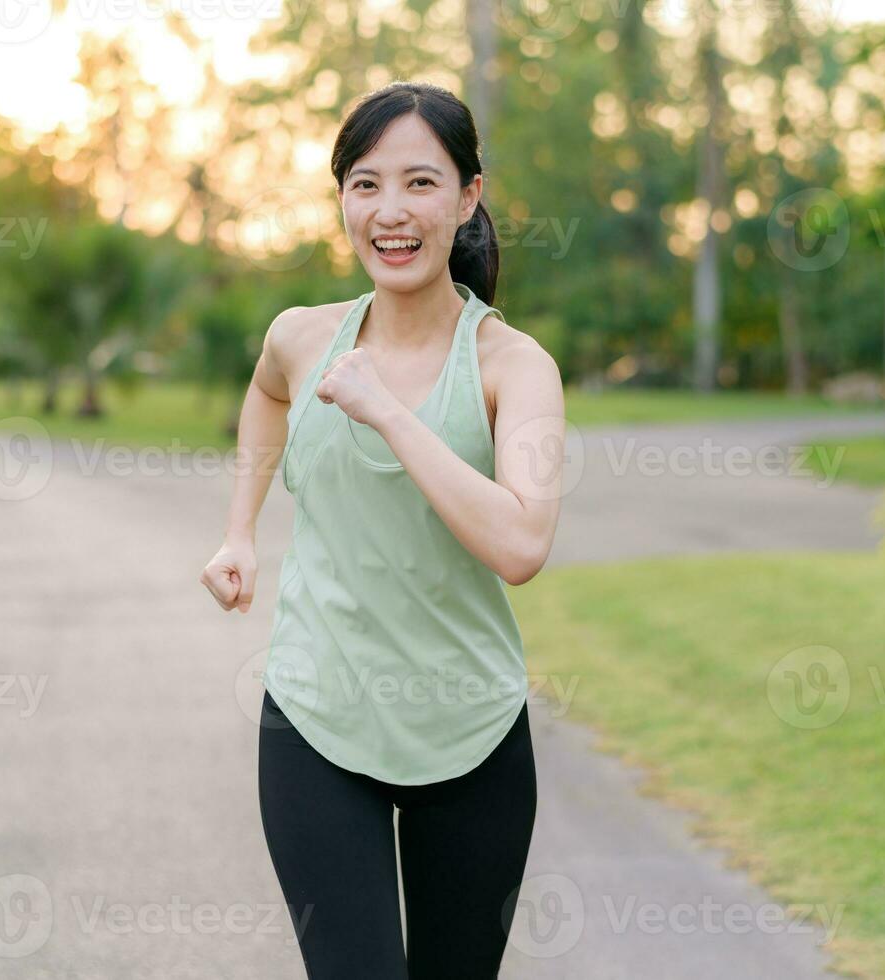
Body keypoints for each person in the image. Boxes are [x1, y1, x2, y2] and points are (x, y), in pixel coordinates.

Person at [200, 80, 565, 979]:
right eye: (364, 185)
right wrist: (239, 529)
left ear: (468, 196)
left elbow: (521, 546)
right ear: (342, 201)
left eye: (419, 183)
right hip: (316, 721)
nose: (390, 212)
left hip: (470, 733)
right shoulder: (300, 335)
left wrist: (389, 413)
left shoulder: (514, 368)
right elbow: (265, 394)